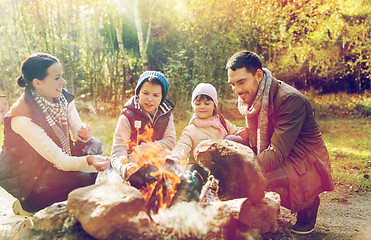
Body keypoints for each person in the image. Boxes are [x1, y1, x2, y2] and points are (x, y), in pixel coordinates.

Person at [225, 50, 334, 235]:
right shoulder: (252, 97)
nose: (237, 90)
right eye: (233, 84)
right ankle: (251, 210)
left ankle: (308, 204)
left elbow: (276, 154)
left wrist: (239, 174)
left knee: (255, 180)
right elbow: (257, 137)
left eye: (241, 82)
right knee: (229, 145)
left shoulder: (289, 100)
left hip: (303, 162)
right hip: (277, 149)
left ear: (258, 75)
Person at [0, 53, 110, 216]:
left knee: (94, 145)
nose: (63, 82)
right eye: (57, 78)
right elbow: (60, 160)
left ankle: (74, 199)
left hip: (50, 162)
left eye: (62, 76)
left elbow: (77, 130)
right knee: (82, 179)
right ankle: (29, 206)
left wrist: (83, 134)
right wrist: (88, 161)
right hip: (31, 178)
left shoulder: (62, 97)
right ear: (37, 83)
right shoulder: (21, 117)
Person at [110, 70, 176, 180]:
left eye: (156, 95)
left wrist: (141, 150)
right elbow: (118, 150)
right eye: (145, 93)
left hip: (157, 162)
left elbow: (170, 142)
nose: (150, 99)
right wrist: (124, 167)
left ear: (162, 98)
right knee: (114, 181)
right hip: (132, 164)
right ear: (138, 93)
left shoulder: (166, 115)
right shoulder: (127, 116)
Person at [167, 83, 247, 163]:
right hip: (198, 166)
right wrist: (176, 157)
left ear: (214, 106)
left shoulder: (222, 123)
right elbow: (182, 145)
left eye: (207, 103)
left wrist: (245, 132)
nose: (202, 107)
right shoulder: (190, 130)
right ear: (193, 106)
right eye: (198, 104)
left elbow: (237, 132)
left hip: (220, 166)